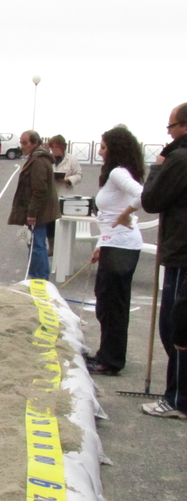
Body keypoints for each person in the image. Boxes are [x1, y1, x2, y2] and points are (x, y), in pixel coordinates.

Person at [83, 127, 145, 376]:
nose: (100, 151)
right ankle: (106, 354)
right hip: (113, 244)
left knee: (112, 304)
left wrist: (126, 213)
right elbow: (107, 219)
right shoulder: (115, 174)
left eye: (104, 147)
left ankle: (111, 360)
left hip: (122, 246)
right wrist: (100, 245)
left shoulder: (119, 172)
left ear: (115, 149)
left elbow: (142, 194)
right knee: (106, 301)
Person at [139, 102, 187, 419]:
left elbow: (151, 199)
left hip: (182, 253)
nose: (167, 133)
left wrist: (159, 165)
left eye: (170, 127)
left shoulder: (179, 158)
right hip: (180, 249)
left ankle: (178, 398)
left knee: (176, 327)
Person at [7, 130, 59, 280]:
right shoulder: (36, 158)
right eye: (21, 143)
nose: (22, 146)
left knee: (37, 246)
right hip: (39, 210)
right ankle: (37, 276)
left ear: (35, 143)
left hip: (39, 212)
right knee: (34, 243)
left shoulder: (38, 161)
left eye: (25, 143)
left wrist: (32, 213)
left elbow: (39, 190)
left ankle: (40, 278)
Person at [48, 134, 83, 255]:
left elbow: (79, 175)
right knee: (50, 222)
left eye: (57, 147)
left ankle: (63, 247)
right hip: (50, 194)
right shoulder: (48, 158)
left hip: (64, 193)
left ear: (63, 147)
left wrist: (68, 180)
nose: (54, 149)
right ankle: (52, 246)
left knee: (63, 221)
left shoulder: (71, 159)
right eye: (52, 147)